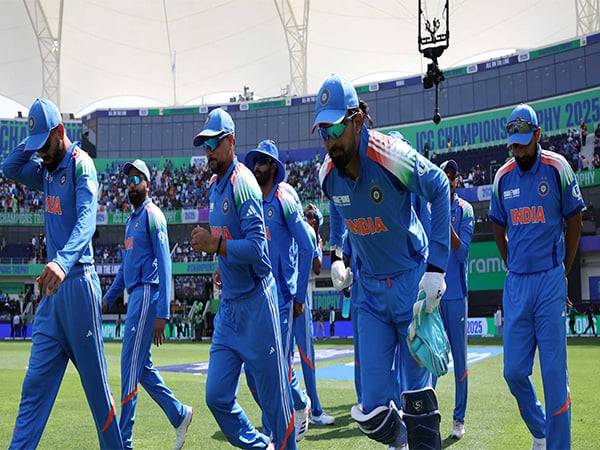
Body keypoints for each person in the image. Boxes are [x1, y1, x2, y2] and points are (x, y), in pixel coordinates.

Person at [315, 74, 450, 449]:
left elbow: (439, 186)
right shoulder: (328, 174)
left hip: (410, 283)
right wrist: (338, 251)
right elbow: (338, 204)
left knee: (417, 396)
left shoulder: (390, 155)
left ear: (358, 119)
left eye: (335, 129)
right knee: (371, 408)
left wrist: (437, 267)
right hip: (369, 294)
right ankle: (403, 441)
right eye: (322, 132)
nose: (329, 142)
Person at [2, 98, 123, 449]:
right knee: (34, 388)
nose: (40, 154)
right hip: (53, 297)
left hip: (79, 285)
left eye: (44, 144)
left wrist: (62, 260)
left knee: (98, 394)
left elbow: (86, 222)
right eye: (35, 149)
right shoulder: (46, 169)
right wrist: (32, 141)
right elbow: (9, 168)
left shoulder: (80, 166)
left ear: (61, 132)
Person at [190, 108, 296, 450]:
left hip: (257, 306)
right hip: (230, 309)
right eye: (205, 146)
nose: (208, 152)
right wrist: (221, 262)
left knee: (276, 405)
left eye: (214, 144)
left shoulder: (243, 183)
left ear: (231, 141)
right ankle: (260, 446)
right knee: (216, 396)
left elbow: (258, 250)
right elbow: (231, 241)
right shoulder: (214, 186)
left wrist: (215, 244)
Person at [489, 103, 584, 450]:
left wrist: (563, 268)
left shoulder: (558, 168)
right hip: (516, 283)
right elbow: (498, 223)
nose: (519, 151)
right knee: (513, 372)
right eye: (513, 144)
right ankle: (541, 429)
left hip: (549, 280)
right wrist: (509, 259)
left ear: (538, 135)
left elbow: (574, 221)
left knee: (555, 378)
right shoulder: (503, 176)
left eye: (524, 143)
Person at [103, 159, 193, 450]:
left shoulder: (153, 215)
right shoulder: (131, 222)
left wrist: (163, 313)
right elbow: (124, 268)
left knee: (128, 367)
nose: (130, 185)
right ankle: (179, 414)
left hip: (147, 295)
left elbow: (166, 264)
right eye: (127, 180)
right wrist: (107, 299)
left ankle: (123, 443)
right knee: (141, 369)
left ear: (148, 184)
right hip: (135, 294)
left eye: (136, 179)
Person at [244, 140, 313, 441]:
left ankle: (279, 426)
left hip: (284, 299)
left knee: (277, 368)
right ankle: (294, 405)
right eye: (254, 162)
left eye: (261, 162)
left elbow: (308, 246)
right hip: (258, 298)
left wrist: (298, 296)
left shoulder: (284, 197)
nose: (256, 167)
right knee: (256, 372)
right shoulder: (251, 201)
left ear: (272, 166)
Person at [433, 159, 474, 440]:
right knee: (430, 357)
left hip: (456, 294)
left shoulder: (465, 210)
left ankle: (458, 419)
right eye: (444, 174)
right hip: (434, 294)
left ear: (458, 179)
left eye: (452, 175)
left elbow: (463, 253)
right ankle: (425, 416)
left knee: (459, 360)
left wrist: (446, 226)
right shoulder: (430, 206)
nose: (448, 178)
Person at [292, 204, 335, 425]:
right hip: (282, 300)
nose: (309, 219)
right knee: (282, 361)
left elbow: (317, 268)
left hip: (300, 303)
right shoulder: (290, 228)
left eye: (313, 218)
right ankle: (293, 407)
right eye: (306, 216)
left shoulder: (312, 238)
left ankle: (315, 410)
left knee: (308, 359)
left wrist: (316, 238)